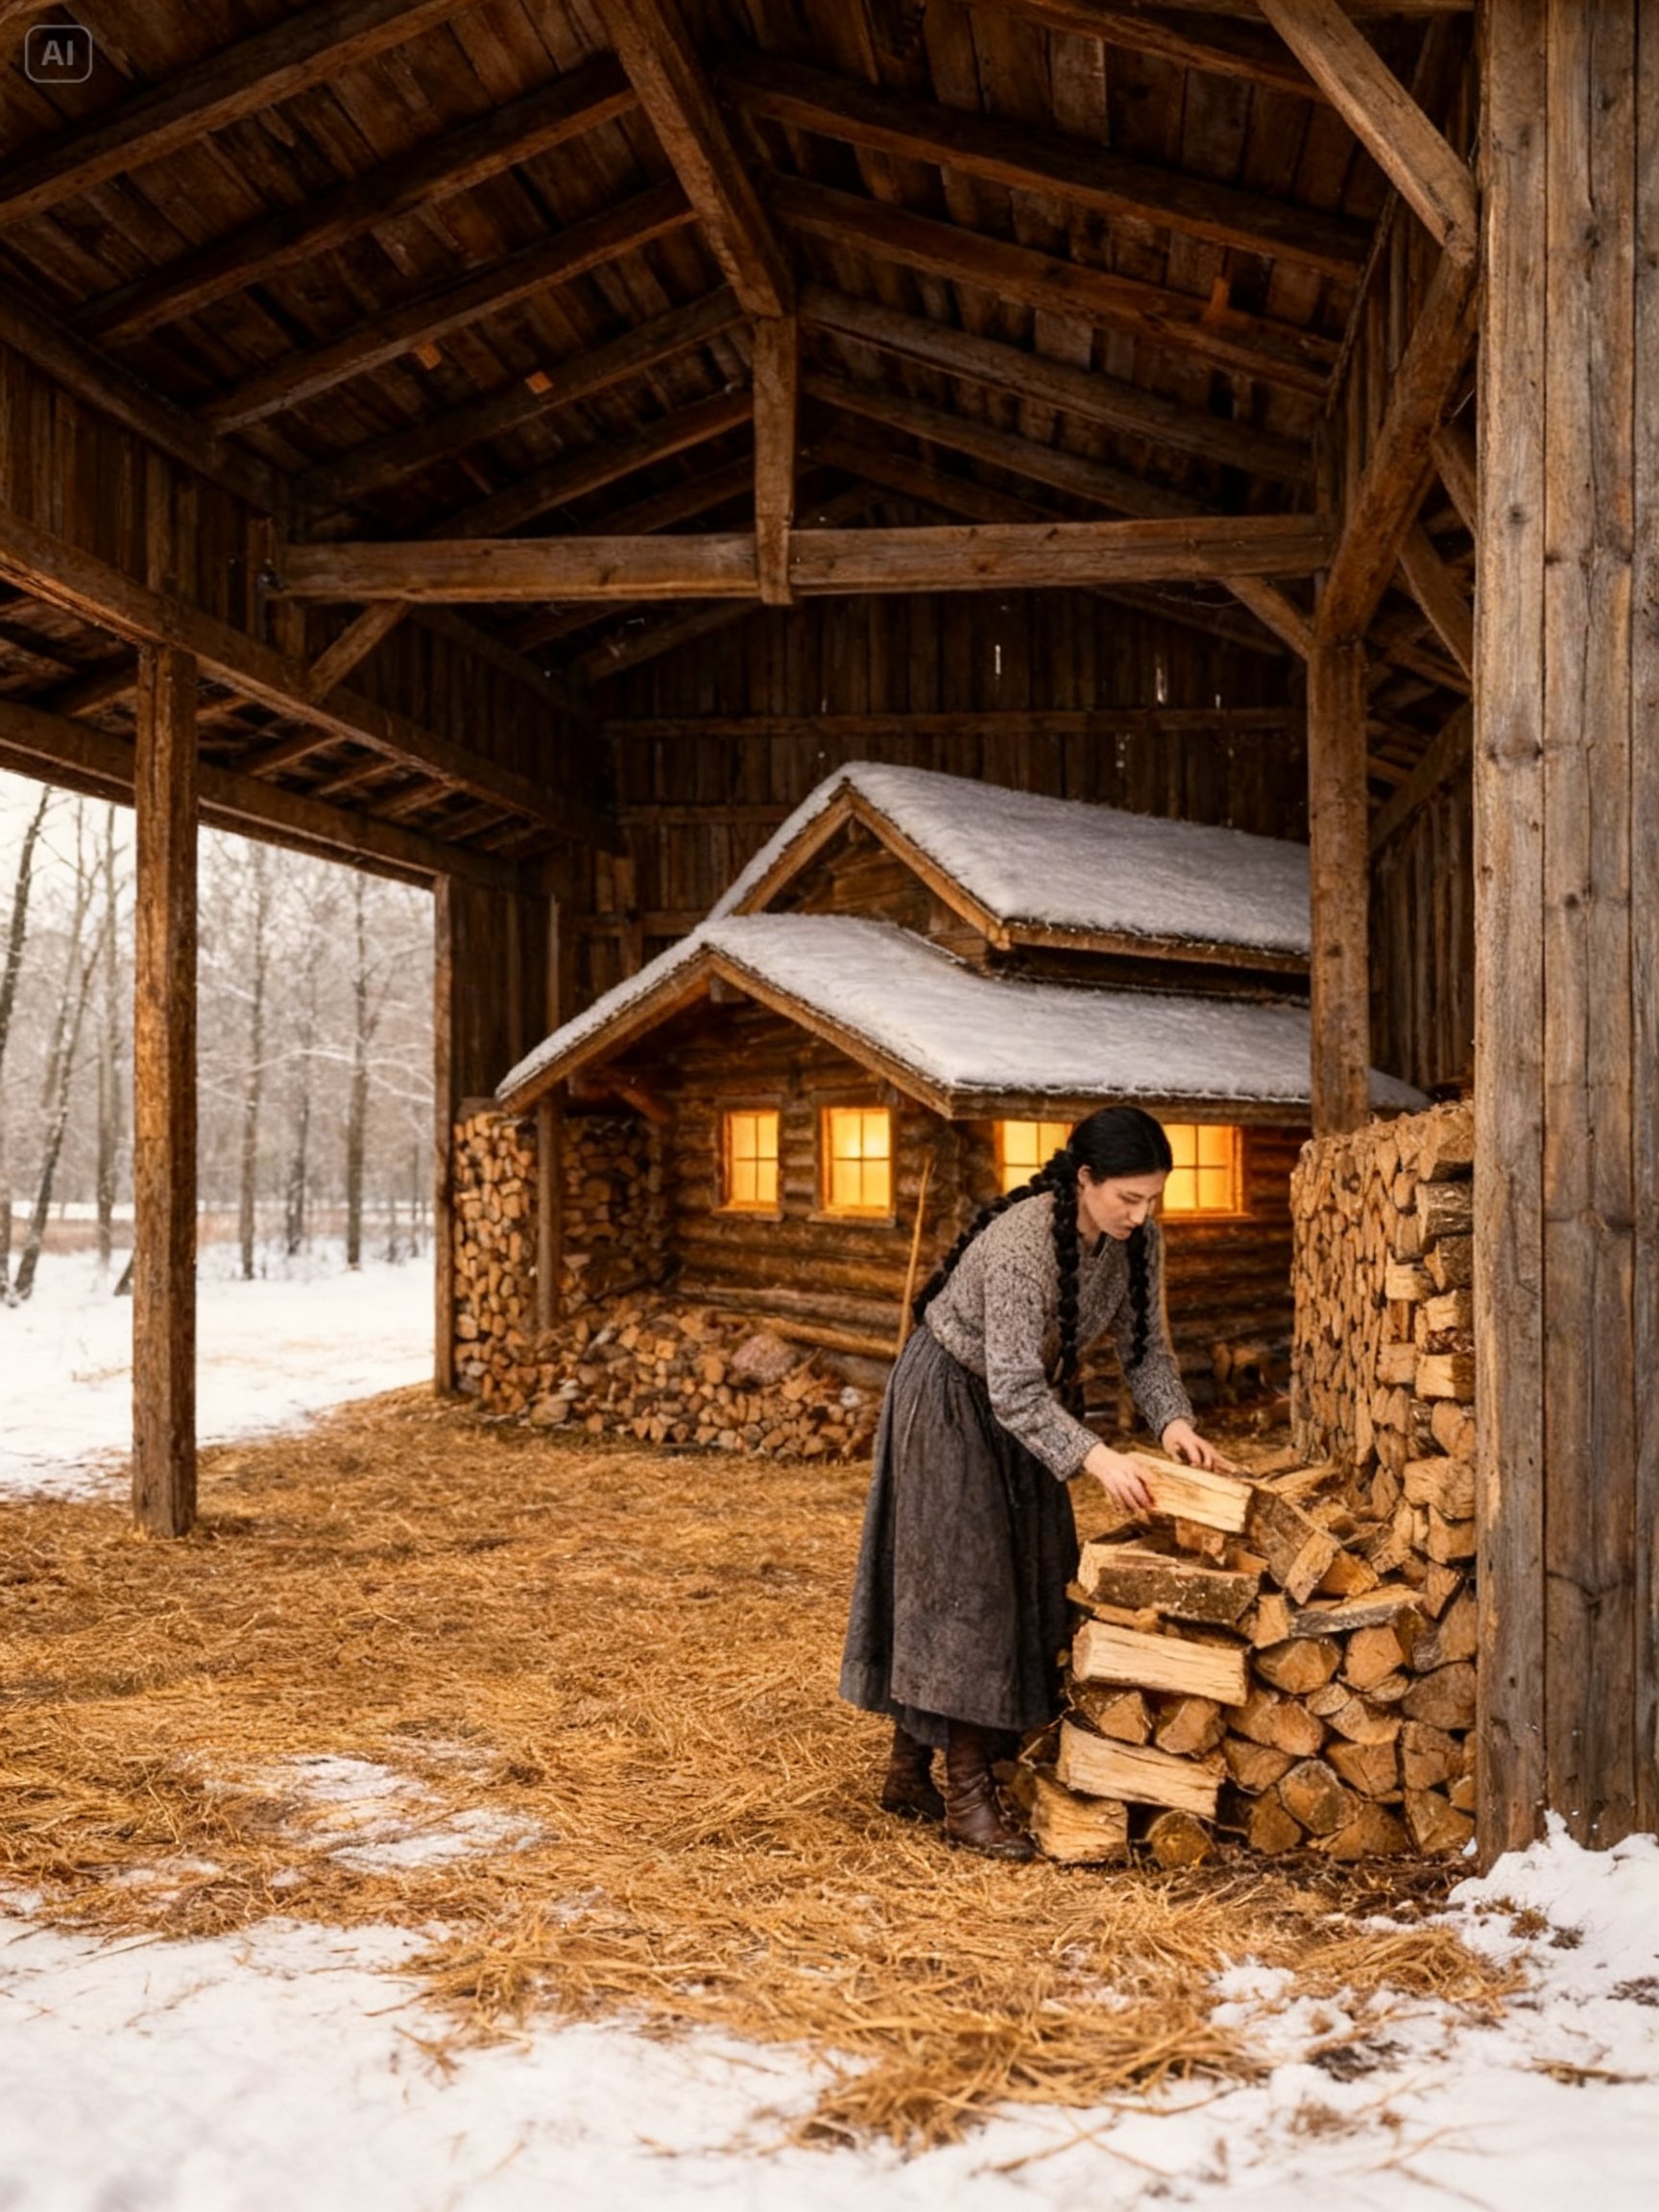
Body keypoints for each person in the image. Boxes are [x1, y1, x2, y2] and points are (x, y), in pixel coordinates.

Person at [839, 1105, 1240, 1861]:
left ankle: (906, 1772)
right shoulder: (1026, 1245)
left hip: (1019, 1407)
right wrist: (1097, 1458)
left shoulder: (1133, 1242)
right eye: (1127, 1197)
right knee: (968, 1587)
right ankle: (964, 1795)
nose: (1140, 1212)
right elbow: (1016, 1389)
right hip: (953, 1398)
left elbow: (1146, 1354)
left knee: (1035, 1571)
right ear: (1085, 1180)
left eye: (1152, 1198)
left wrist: (1172, 1424)